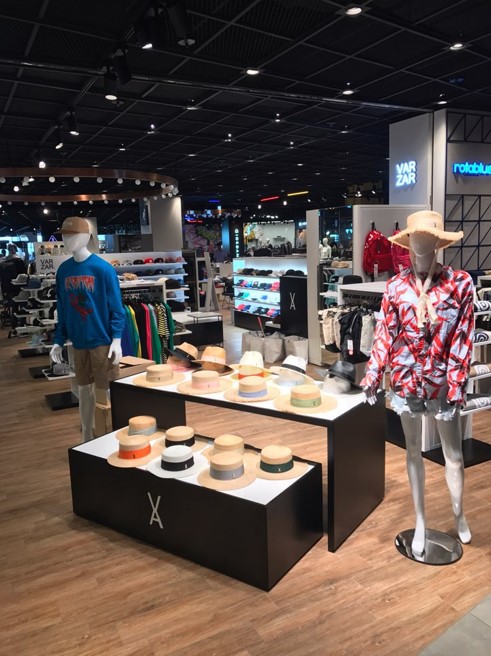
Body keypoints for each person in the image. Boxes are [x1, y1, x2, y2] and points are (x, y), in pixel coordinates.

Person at [360, 210, 473, 557]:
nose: (421, 246)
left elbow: (463, 338)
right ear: (408, 244)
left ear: (438, 244)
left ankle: (459, 513)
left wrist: (456, 383)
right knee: (413, 451)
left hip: (442, 382)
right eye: (416, 240)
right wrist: (373, 373)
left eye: (428, 240)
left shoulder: (459, 284)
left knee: (453, 455)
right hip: (407, 381)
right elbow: (384, 333)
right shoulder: (395, 287)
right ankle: (420, 521)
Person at [50, 217, 126, 442]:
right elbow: (63, 308)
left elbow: (117, 308)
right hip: (78, 342)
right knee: (83, 390)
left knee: (109, 390)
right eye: (64, 235)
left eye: (72, 235)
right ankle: (86, 437)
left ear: (86, 237)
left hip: (102, 342)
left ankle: (118, 436)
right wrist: (58, 339)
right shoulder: (63, 270)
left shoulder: (103, 269)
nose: (67, 240)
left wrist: (117, 339)